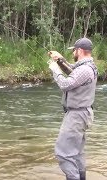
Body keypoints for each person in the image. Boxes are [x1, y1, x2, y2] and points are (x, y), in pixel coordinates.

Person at [48, 37, 98, 180]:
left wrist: (55, 70)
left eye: (74, 50)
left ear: (80, 51)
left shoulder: (85, 69)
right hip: (82, 114)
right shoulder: (87, 67)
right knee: (76, 153)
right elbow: (73, 71)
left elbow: (65, 84)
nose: (73, 53)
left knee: (63, 153)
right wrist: (60, 60)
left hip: (76, 116)